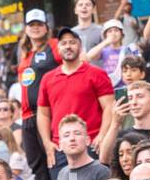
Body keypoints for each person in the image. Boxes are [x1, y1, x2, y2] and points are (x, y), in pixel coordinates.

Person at [36, 26, 115, 171]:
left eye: (72, 42)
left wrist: (102, 135)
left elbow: (109, 107)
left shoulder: (97, 74)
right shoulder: (48, 79)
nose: (68, 46)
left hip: (91, 143)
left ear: (80, 46)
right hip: (61, 147)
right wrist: (47, 143)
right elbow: (43, 114)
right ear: (58, 49)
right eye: (63, 43)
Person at [15, 9, 60, 180]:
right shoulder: (25, 53)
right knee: (36, 164)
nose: (35, 28)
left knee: (53, 160)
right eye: (31, 25)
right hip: (27, 117)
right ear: (26, 29)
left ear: (46, 27)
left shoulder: (54, 45)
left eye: (39, 24)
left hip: (48, 113)